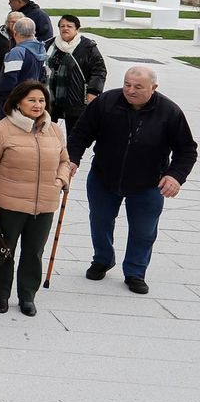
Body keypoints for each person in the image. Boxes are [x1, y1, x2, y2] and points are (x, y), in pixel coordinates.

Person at [68, 66, 197, 294]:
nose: (130, 90)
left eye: (138, 87)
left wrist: (175, 176)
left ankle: (135, 272)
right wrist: (72, 159)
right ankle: (102, 259)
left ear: (153, 88)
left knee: (144, 230)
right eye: (127, 84)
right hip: (103, 176)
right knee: (100, 221)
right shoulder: (106, 102)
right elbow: (81, 133)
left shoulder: (169, 112)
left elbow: (187, 150)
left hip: (148, 182)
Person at [0, 80, 71, 316]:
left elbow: (64, 161)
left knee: (34, 253)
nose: (38, 105)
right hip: (9, 203)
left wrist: (61, 180)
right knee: (4, 252)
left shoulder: (54, 130)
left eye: (41, 100)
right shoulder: (0, 130)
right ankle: (1, 295)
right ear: (18, 102)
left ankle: (27, 296)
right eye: (31, 100)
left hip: (45, 204)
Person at [46, 14, 106, 135]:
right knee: (47, 129)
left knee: (74, 132)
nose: (65, 29)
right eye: (62, 26)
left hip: (75, 97)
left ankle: (71, 154)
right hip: (51, 96)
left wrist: (93, 91)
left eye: (69, 26)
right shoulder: (51, 44)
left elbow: (99, 70)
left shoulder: (87, 47)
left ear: (77, 29)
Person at [0, 17, 46, 111]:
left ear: (15, 33)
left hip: (15, 102)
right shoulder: (42, 50)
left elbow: (9, 79)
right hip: (32, 99)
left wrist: (3, 96)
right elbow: (43, 76)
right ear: (33, 33)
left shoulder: (17, 52)